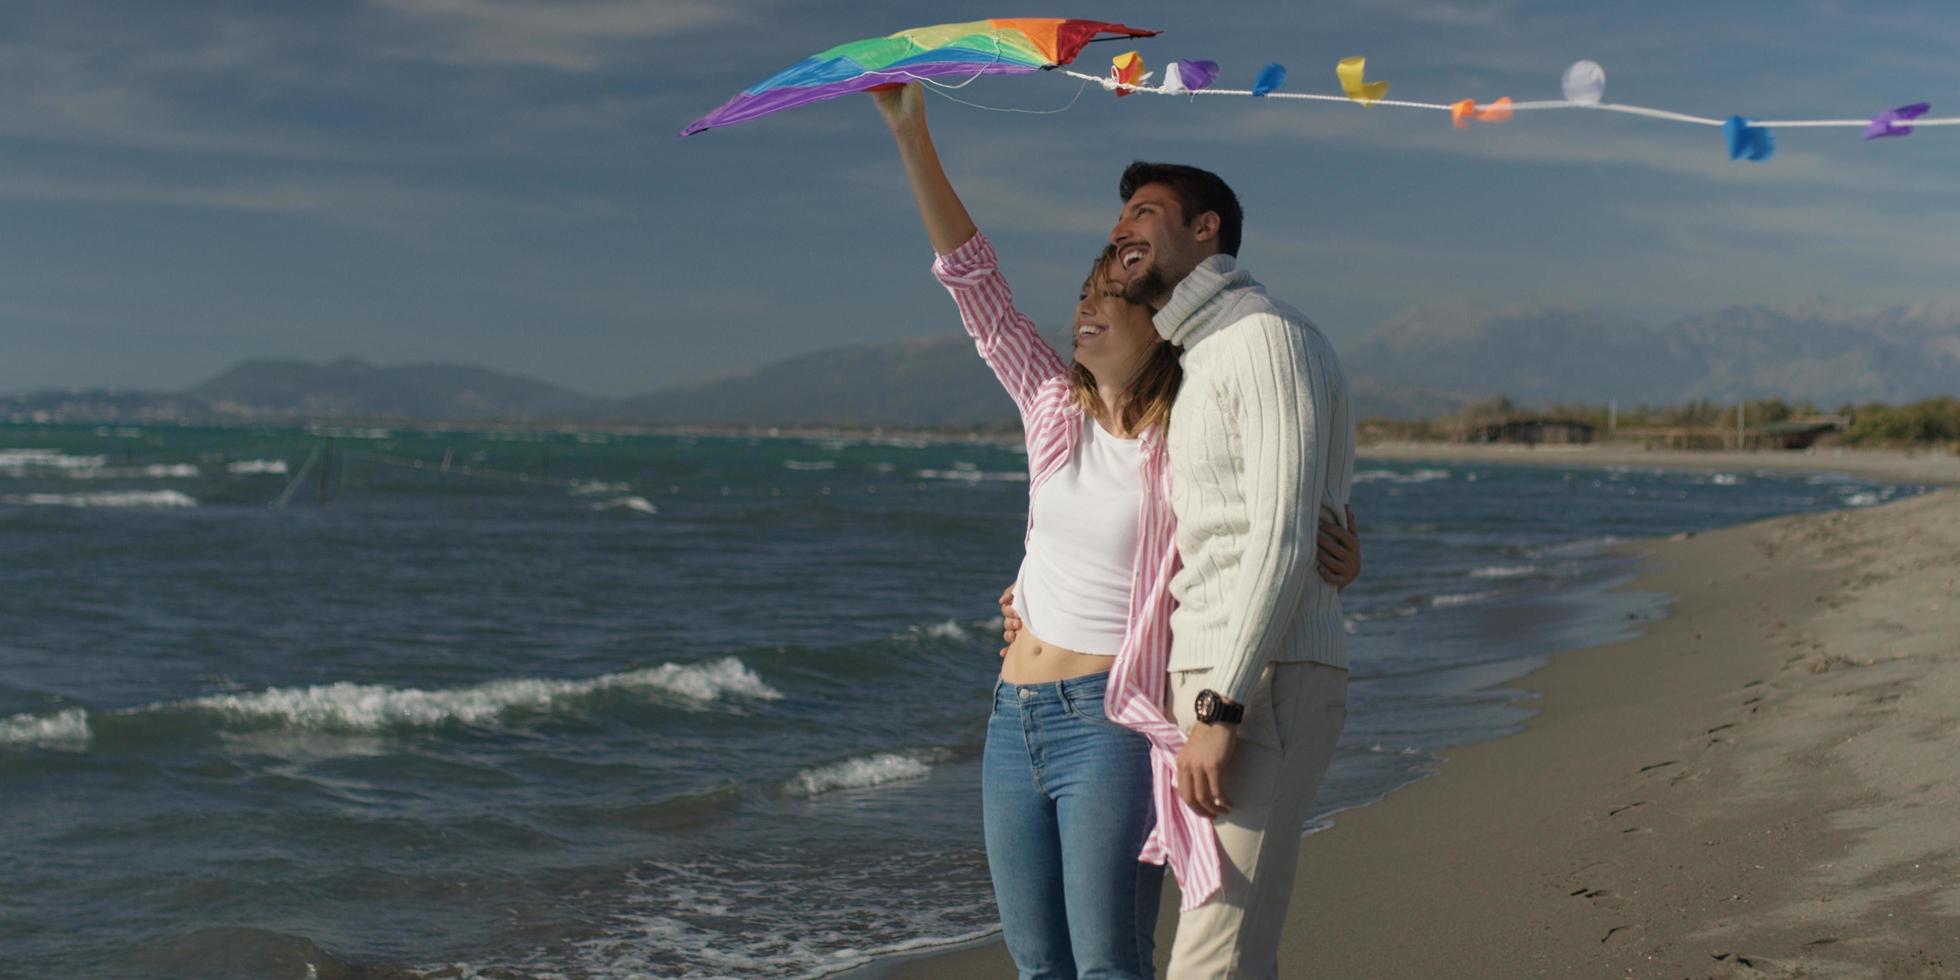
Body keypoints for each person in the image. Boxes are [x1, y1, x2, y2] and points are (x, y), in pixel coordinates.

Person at [872, 82, 1360, 980]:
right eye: (1084, 296)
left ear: (1159, 329)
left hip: (1110, 724)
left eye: (1110, 298)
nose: (1087, 309)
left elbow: (1260, 520)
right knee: (1037, 967)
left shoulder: (1185, 438)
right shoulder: (1051, 411)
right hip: (1010, 717)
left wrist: (1341, 553)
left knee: (1107, 967)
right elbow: (974, 284)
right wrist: (912, 134)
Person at [1103, 161, 1357, 979]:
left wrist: (1221, 707)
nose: (1120, 231)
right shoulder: (1201, 352)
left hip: (1259, 678)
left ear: (1205, 227)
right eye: (1119, 218)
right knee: (1234, 950)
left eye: (1144, 212)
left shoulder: (1262, 337)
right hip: (1224, 670)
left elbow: (1282, 536)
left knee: (1210, 958)